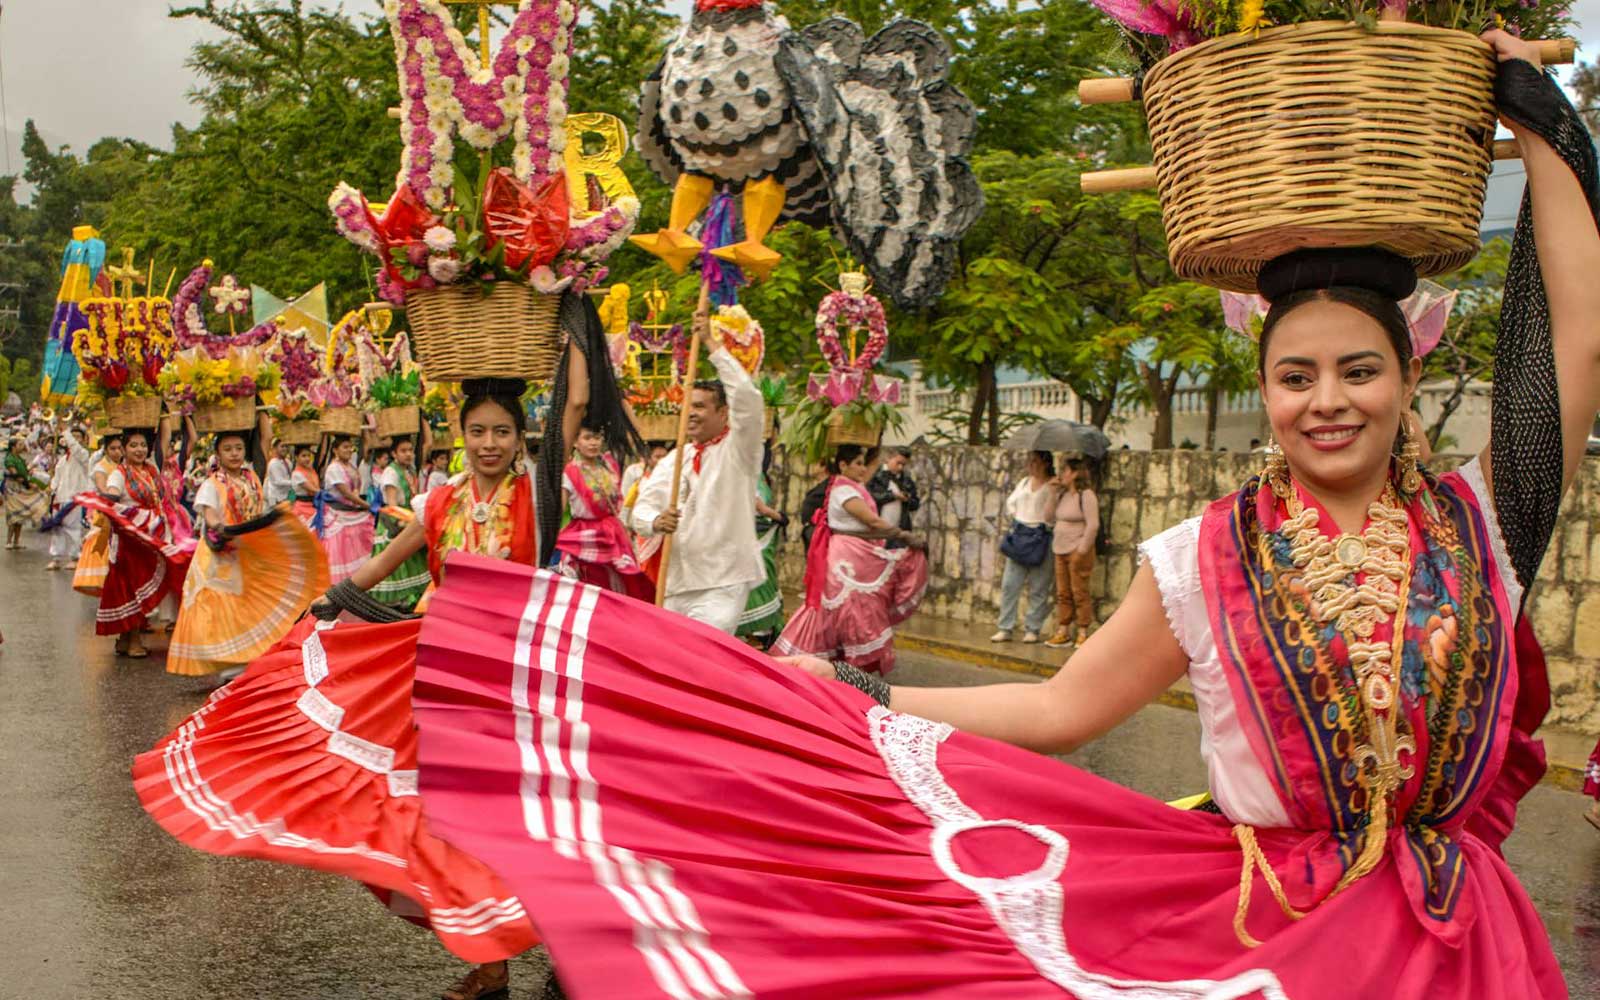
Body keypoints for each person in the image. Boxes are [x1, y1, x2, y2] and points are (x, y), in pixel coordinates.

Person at [395, 35, 1598, 999]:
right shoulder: (1203, 556)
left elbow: (1575, 334)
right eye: (1297, 377)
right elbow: (1062, 704)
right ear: (1265, 389)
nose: (1328, 401)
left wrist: (1541, 124)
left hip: (1462, 949)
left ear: (1408, 378)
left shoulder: (1479, 518)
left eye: (1358, 371)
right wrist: (854, 699)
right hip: (1272, 941)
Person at [132, 290, 637, 1000]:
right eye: (478, 432)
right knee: (429, 816)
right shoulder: (440, 502)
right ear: (460, 437)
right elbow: (384, 562)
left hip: (516, 681)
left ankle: (569, 939)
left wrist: (577, 320)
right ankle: (490, 959)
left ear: (522, 440)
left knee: (533, 816)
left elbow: (577, 406)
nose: (489, 443)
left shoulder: (539, 494)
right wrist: (332, 599)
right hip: (440, 677)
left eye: (502, 432)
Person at [632, 314, 766, 633]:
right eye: (688, 406)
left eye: (701, 407)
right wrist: (654, 522)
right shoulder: (677, 458)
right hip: (676, 581)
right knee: (670, 660)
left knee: (704, 655)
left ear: (723, 413)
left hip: (723, 580)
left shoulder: (739, 450)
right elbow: (641, 509)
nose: (690, 413)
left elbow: (748, 399)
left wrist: (710, 344)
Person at [166, 428, 328, 678]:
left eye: (238, 449)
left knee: (251, 603)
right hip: (220, 554)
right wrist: (222, 529)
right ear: (218, 454)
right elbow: (210, 515)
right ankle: (228, 662)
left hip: (249, 548)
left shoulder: (251, 477)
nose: (234, 454)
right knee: (223, 607)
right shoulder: (212, 484)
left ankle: (246, 658)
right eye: (228, 449)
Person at [774, 444, 929, 673]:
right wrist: (904, 536)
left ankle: (843, 666)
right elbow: (872, 522)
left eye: (863, 463)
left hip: (853, 551)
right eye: (857, 463)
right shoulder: (843, 491)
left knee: (851, 607)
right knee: (852, 607)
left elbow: (869, 525)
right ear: (843, 465)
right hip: (847, 555)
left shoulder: (848, 487)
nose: (862, 468)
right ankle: (848, 665)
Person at [90, 427, 193, 658]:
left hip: (151, 536)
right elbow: (113, 492)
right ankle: (132, 638)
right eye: (133, 445)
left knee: (137, 585)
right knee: (130, 588)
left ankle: (125, 638)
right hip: (129, 540)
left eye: (143, 445)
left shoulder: (151, 470)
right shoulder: (119, 473)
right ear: (124, 449)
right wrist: (107, 498)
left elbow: (161, 498)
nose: (139, 450)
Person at [555, 422, 653, 601]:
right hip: (585, 537)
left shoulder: (609, 467)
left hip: (613, 535)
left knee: (620, 582)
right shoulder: (569, 473)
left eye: (597, 438)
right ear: (575, 442)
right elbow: (558, 510)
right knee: (587, 586)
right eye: (587, 438)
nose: (593, 443)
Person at [991, 450, 1058, 644]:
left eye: (1036, 461)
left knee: (1039, 585)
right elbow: (1011, 503)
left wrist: (1053, 493)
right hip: (1020, 533)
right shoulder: (1024, 482)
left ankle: (1033, 628)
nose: (1032, 465)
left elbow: (1050, 516)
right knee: (1010, 584)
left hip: (1041, 535)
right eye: (1031, 461)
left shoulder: (1052, 485)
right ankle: (1005, 627)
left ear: (1045, 463)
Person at [369, 436, 430, 611]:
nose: (408, 454)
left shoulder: (409, 470)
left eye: (410, 450)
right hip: (396, 521)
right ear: (394, 454)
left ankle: (411, 601)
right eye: (403, 451)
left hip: (409, 518)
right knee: (398, 560)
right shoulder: (391, 472)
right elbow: (392, 505)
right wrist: (405, 523)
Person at [1045, 457, 1099, 649]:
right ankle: (1064, 629)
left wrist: (1082, 550)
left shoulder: (1086, 495)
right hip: (1060, 548)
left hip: (1077, 549)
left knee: (1079, 591)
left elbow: (1093, 525)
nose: (1062, 475)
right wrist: (1052, 493)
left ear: (1075, 473)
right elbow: (1048, 517)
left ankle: (1083, 630)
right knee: (1063, 592)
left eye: (1066, 471)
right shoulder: (1062, 495)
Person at [736, 443, 787, 646]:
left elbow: (775, 515)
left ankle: (761, 632)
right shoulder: (737, 479)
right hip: (742, 541)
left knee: (763, 582)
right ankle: (746, 633)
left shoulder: (764, 480)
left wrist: (766, 511)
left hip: (764, 539)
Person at [318, 435, 375, 584]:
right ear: (335, 450)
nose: (349, 450)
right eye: (345, 447)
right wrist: (366, 505)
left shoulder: (351, 466)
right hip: (338, 515)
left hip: (352, 512)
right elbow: (345, 493)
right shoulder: (333, 468)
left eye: (350, 447)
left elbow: (354, 489)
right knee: (339, 551)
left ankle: (356, 581)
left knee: (352, 549)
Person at [72, 432, 123, 597]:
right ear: (106, 450)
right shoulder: (100, 468)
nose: (117, 452)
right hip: (104, 514)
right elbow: (104, 490)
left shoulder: (124, 465)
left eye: (119, 448)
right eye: (113, 449)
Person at [45, 425, 93, 570]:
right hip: (60, 497)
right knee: (57, 529)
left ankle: (75, 556)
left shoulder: (84, 455)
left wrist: (66, 432)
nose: (75, 440)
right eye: (74, 437)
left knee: (73, 528)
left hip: (75, 498)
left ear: (84, 440)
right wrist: (52, 488)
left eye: (79, 437)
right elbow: (57, 478)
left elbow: (76, 448)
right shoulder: (62, 459)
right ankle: (56, 558)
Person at [867, 446, 920, 548]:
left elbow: (915, 504)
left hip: (899, 531)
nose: (900, 467)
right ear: (888, 458)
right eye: (898, 463)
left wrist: (907, 499)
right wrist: (892, 495)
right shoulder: (874, 475)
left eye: (903, 465)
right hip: (876, 530)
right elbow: (868, 497)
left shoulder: (906, 480)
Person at [3, 436, 49, 549]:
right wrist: (29, 484)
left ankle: (16, 541)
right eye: (20, 444)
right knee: (14, 515)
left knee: (20, 516)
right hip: (13, 489)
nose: (23, 446)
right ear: (13, 447)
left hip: (21, 487)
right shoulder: (10, 459)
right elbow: (16, 475)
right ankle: (9, 541)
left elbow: (24, 472)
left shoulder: (19, 458)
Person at [620, 442, 668, 533]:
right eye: (657, 457)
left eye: (665, 457)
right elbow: (625, 500)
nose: (662, 461)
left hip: (664, 527)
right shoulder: (635, 473)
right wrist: (623, 525)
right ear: (648, 459)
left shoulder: (671, 476)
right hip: (641, 527)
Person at [289, 445, 320, 528]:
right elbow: (313, 490)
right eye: (303, 456)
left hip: (313, 505)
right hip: (301, 507)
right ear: (296, 457)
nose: (307, 459)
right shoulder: (297, 474)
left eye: (308, 456)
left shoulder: (311, 471)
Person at [263, 437, 294, 507]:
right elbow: (278, 481)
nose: (285, 449)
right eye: (282, 446)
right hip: (277, 498)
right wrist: (294, 482)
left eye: (286, 446)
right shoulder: (273, 463)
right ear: (275, 448)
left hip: (287, 496)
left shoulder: (288, 462)